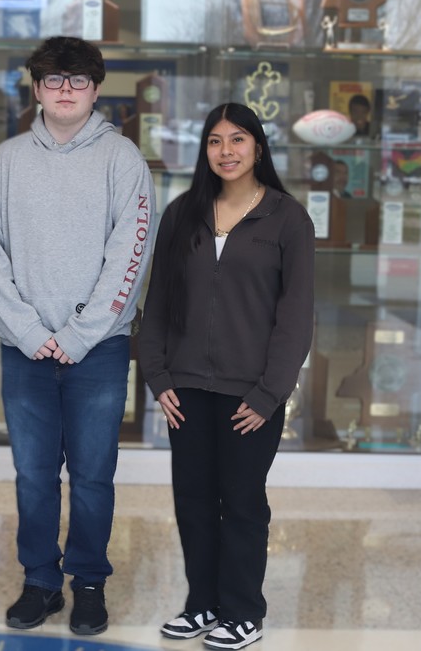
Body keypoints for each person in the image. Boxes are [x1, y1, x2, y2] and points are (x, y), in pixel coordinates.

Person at [0, 36, 154, 636]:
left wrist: (78, 334)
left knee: (95, 472)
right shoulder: (5, 162)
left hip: (98, 350)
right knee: (33, 474)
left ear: (96, 89)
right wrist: (28, 329)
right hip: (25, 351)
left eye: (78, 81)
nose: (66, 90)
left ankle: (90, 583)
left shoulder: (122, 160)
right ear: (37, 88)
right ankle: (41, 582)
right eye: (54, 80)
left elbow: (131, 255)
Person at [138, 102, 314, 650]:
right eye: (215, 141)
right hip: (185, 387)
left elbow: (297, 316)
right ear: (204, 150)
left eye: (238, 140)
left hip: (250, 393)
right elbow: (159, 302)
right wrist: (157, 376)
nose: (227, 151)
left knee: (241, 499)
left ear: (258, 147)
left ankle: (243, 612)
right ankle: (203, 604)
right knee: (192, 497)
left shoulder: (287, 218)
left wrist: (269, 393)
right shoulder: (182, 214)